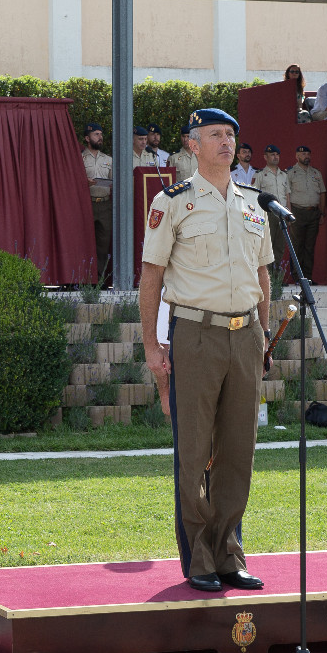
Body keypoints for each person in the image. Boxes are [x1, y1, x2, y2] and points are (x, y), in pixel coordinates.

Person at [139, 107, 272, 592]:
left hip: (246, 335)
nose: (226, 142)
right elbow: (151, 276)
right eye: (214, 135)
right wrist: (153, 346)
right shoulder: (172, 202)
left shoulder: (255, 205)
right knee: (194, 452)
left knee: (238, 451)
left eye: (231, 134)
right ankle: (198, 559)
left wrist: (263, 333)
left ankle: (228, 553)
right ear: (192, 145)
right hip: (195, 334)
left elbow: (263, 275)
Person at [285, 144, 326, 280]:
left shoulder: (316, 173)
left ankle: (307, 278)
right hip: (297, 211)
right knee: (297, 246)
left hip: (313, 213)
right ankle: (297, 278)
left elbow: (322, 193)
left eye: (308, 154)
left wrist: (322, 212)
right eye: (303, 154)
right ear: (297, 156)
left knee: (310, 246)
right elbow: (287, 194)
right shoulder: (290, 173)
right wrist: (288, 213)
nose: (306, 156)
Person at [81, 123, 114, 279]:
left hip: (105, 204)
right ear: (87, 138)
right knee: (84, 242)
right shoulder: (80, 158)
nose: (100, 137)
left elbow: (114, 181)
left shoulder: (108, 159)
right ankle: (83, 277)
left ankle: (98, 278)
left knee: (103, 242)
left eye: (101, 134)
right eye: (96, 134)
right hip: (87, 204)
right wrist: (84, 182)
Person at [255, 145, 292, 275]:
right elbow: (255, 195)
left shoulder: (284, 175)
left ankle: (277, 277)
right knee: (267, 245)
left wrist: (289, 214)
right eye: (272, 155)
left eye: (277, 155)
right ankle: (267, 275)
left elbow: (287, 195)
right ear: (265, 157)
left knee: (280, 246)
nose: (275, 157)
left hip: (282, 212)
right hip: (268, 213)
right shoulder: (260, 174)